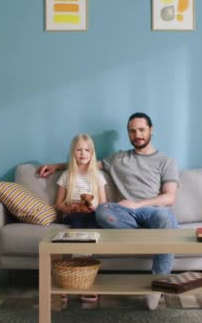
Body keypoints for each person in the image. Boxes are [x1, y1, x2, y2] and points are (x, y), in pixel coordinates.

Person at [39, 113, 179, 310]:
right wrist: (56, 166)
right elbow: (85, 164)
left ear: (151, 130)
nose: (137, 134)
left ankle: (158, 284)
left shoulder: (166, 161)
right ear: (128, 133)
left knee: (165, 217)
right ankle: (149, 237)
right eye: (132, 131)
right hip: (123, 215)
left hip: (153, 212)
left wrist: (137, 204)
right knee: (103, 210)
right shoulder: (119, 158)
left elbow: (169, 197)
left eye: (141, 130)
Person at [54, 133, 106, 304]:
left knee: (93, 226)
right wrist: (71, 207)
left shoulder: (97, 175)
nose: (83, 153)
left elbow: (104, 204)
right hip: (73, 213)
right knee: (77, 225)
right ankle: (71, 276)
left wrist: (93, 207)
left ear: (92, 153)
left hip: (92, 213)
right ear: (73, 153)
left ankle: (86, 276)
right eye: (79, 150)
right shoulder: (67, 175)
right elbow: (59, 204)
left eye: (87, 150)